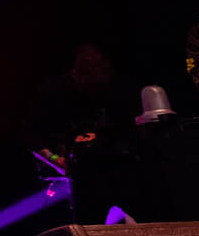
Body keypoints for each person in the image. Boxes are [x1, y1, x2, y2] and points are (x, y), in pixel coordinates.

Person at [27, 40, 141, 223]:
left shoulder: (116, 89)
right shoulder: (53, 93)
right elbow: (29, 134)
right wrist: (55, 159)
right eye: (89, 82)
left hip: (112, 172)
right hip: (70, 179)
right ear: (77, 75)